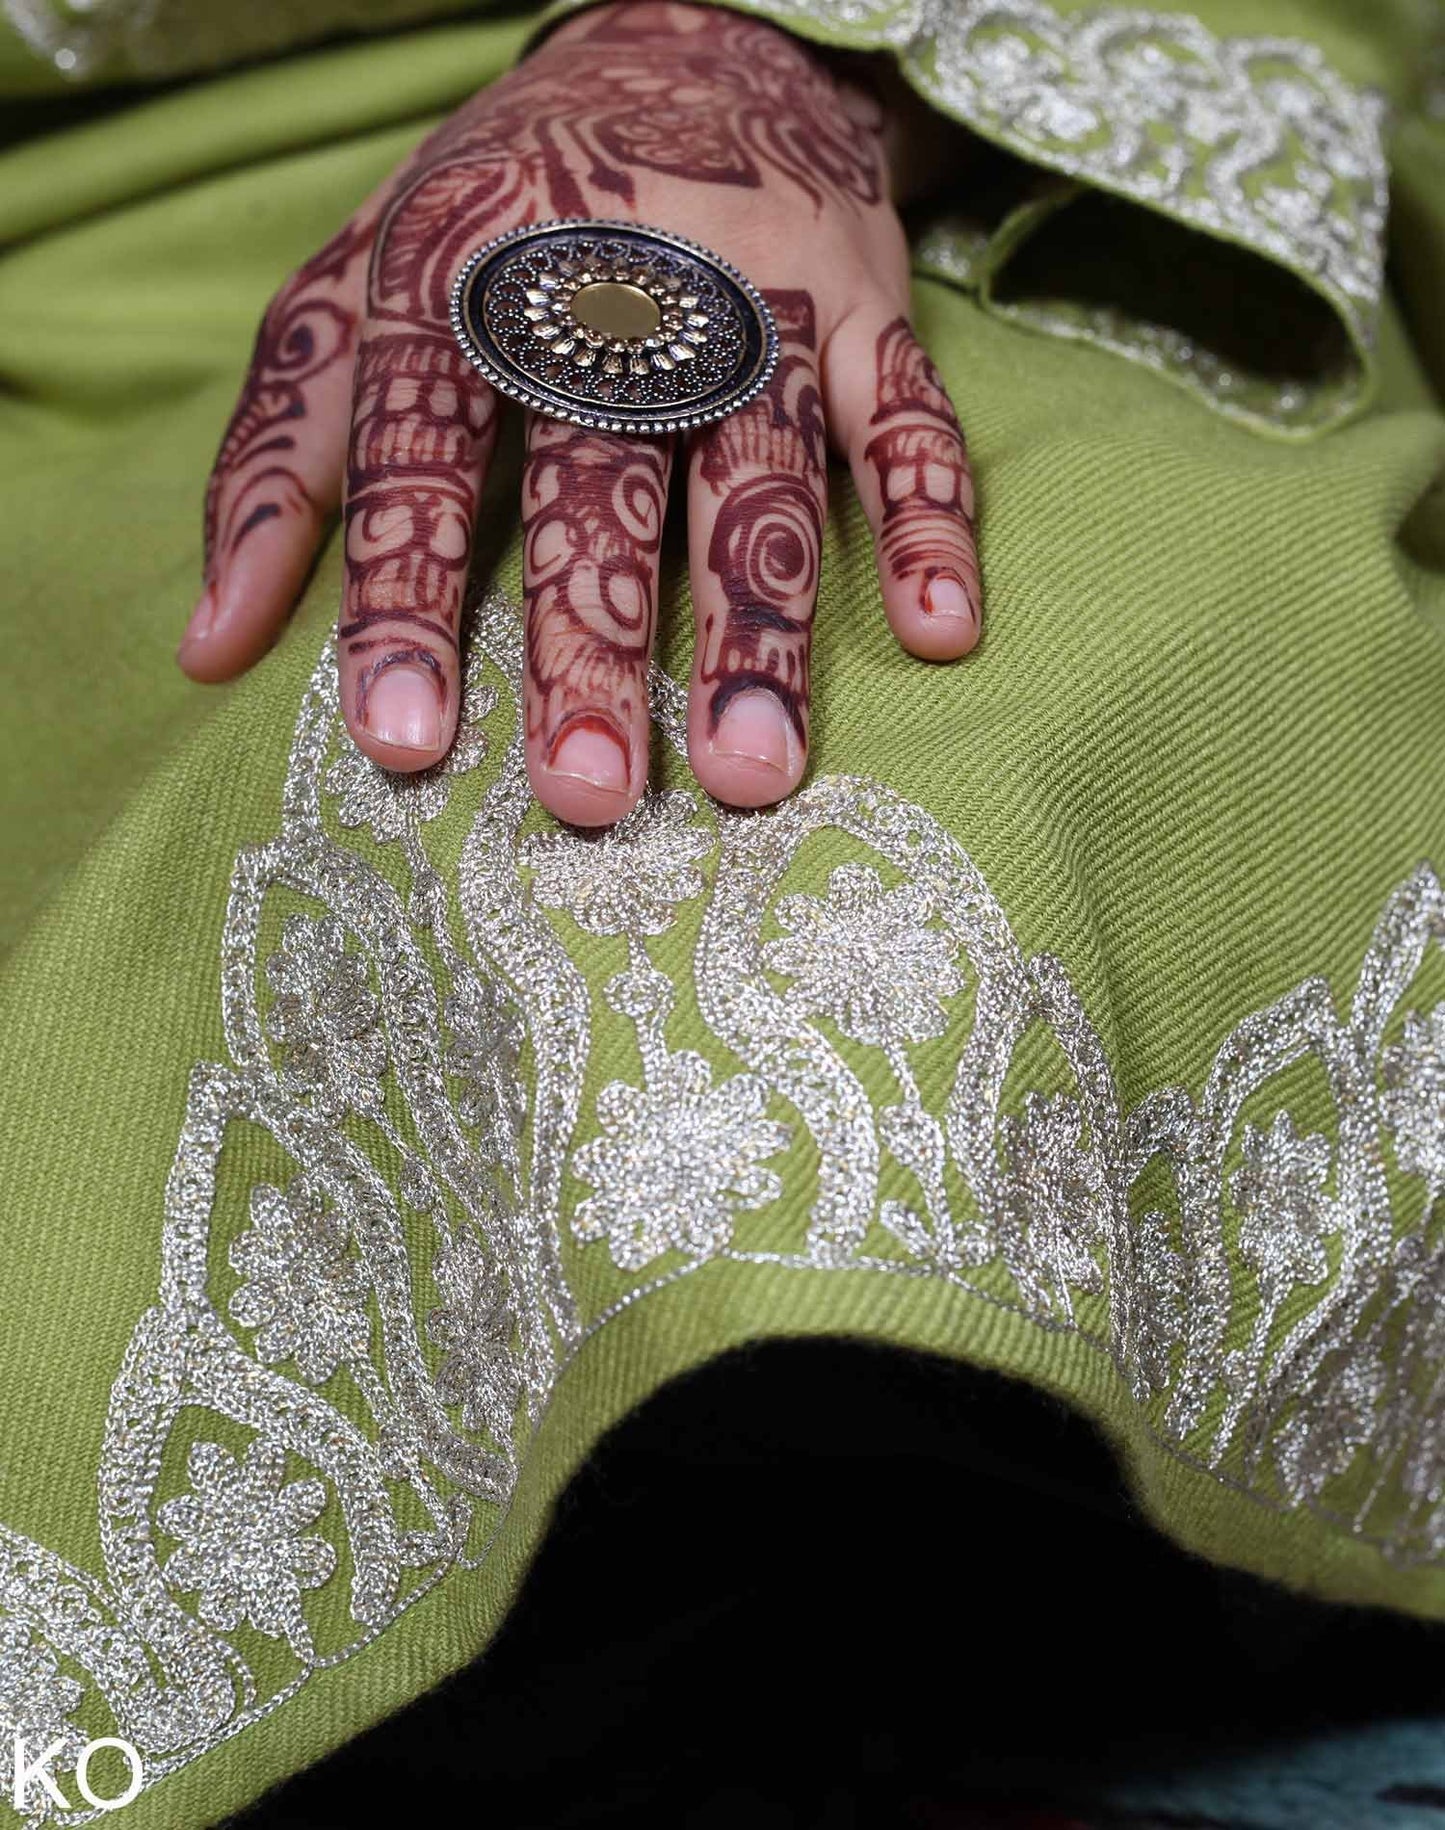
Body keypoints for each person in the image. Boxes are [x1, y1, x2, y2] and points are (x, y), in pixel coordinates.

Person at [0, 0, 1443, 1823]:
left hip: (924, 137)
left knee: (960, 726)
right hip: (82, 261)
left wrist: (758, 62)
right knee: (332, 786)